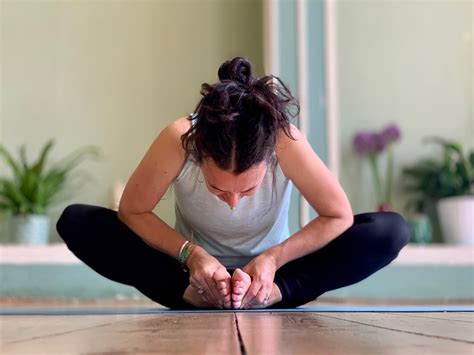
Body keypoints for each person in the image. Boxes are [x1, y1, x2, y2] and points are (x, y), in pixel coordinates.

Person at [56, 57, 410, 310]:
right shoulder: (180, 137)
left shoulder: (285, 140)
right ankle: (192, 295)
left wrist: (271, 261)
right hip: (186, 276)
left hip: (274, 276)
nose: (233, 203)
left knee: (389, 230)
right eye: (218, 189)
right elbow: (133, 210)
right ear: (200, 149)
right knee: (77, 221)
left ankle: (273, 295)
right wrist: (192, 256)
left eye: (249, 190)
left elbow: (338, 215)